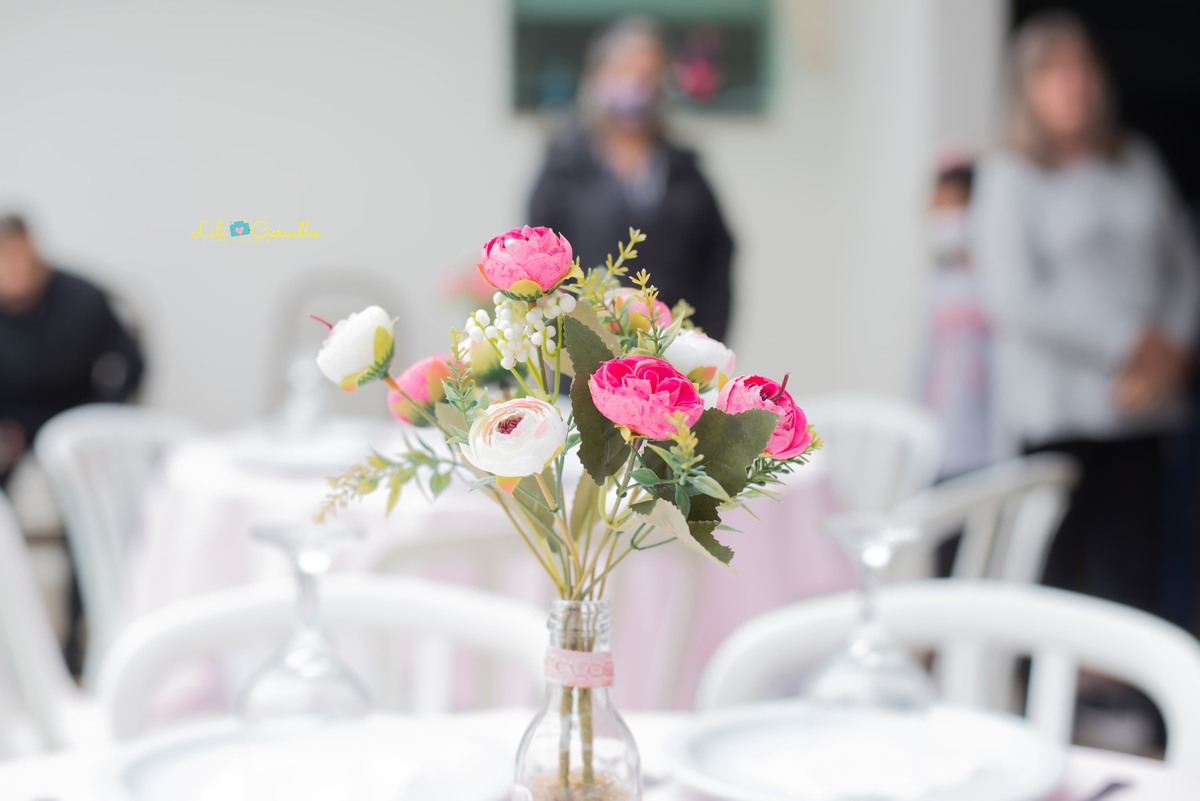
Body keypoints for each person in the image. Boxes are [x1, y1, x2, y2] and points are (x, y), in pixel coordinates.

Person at [973, 13, 1200, 615]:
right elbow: (1017, 298)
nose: (1073, 84)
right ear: (1026, 88)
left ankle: (1139, 706)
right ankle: (1050, 702)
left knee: (1140, 573)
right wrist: (1131, 341)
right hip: (1059, 412)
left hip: (1142, 405)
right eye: (1053, 71)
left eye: (1081, 68)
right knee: (1057, 576)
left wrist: (1173, 346)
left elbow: (1182, 262)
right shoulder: (1009, 175)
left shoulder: (1136, 160)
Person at [528, 17, 735, 341]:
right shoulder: (563, 167)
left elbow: (719, 258)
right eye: (624, 71)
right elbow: (536, 267)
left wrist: (708, 340)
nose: (636, 84)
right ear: (596, 78)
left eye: (648, 75)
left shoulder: (685, 170)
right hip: (584, 362)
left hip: (672, 357)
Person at [0, 214, 145, 487]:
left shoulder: (83, 298)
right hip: (10, 421)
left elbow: (130, 363)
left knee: (94, 490)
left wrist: (103, 417)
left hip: (75, 413)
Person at [919, 157, 991, 479]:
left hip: (987, 447)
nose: (945, 217)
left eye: (955, 205)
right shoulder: (936, 283)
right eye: (938, 207)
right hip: (938, 440)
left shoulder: (995, 284)